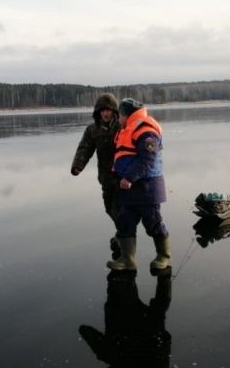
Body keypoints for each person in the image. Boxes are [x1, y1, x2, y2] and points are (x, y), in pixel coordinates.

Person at [107, 98, 171, 271]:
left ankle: (163, 256)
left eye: (119, 115)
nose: (118, 119)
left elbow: (148, 158)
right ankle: (127, 260)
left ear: (126, 115)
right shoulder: (127, 128)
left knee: (153, 223)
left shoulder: (145, 129)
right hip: (128, 189)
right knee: (125, 222)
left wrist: (129, 177)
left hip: (147, 188)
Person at [79, 269, 172, 367]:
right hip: (126, 324)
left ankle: (164, 270)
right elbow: (85, 331)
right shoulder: (112, 356)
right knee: (121, 277)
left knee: (159, 307)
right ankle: (125, 261)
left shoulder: (112, 356)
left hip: (152, 333)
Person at [71, 92, 121, 255]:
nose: (106, 113)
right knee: (109, 208)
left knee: (121, 209)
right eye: (103, 110)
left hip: (122, 177)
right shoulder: (93, 130)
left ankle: (124, 240)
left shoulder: (122, 127)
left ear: (114, 111)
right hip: (105, 177)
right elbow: (85, 148)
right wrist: (78, 166)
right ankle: (122, 233)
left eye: (109, 110)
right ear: (98, 112)